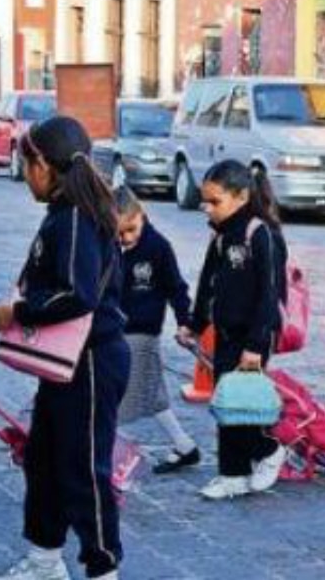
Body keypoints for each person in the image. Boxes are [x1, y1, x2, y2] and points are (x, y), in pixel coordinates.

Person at [0, 116, 128, 580]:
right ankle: (45, 560)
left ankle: (103, 568)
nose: (26, 174)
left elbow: (77, 294)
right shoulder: (73, 213)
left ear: (44, 164)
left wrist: (18, 312)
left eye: (28, 164)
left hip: (89, 361)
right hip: (73, 361)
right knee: (44, 460)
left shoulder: (73, 218)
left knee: (84, 469)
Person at [179, 160, 288, 499]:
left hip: (252, 337)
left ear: (241, 197)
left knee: (240, 405)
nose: (207, 208)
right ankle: (234, 475)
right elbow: (206, 284)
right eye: (205, 201)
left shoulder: (260, 234)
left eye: (215, 201)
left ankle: (268, 450)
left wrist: (256, 345)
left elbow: (269, 294)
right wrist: (195, 325)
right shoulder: (222, 235)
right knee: (228, 403)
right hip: (226, 333)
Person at [113, 186, 200, 473]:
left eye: (130, 230)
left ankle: (107, 454)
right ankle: (185, 445)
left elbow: (176, 287)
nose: (125, 238)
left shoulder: (158, 247)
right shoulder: (113, 246)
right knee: (152, 393)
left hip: (142, 331)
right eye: (119, 233)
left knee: (119, 396)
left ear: (142, 216)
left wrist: (185, 320)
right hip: (116, 329)